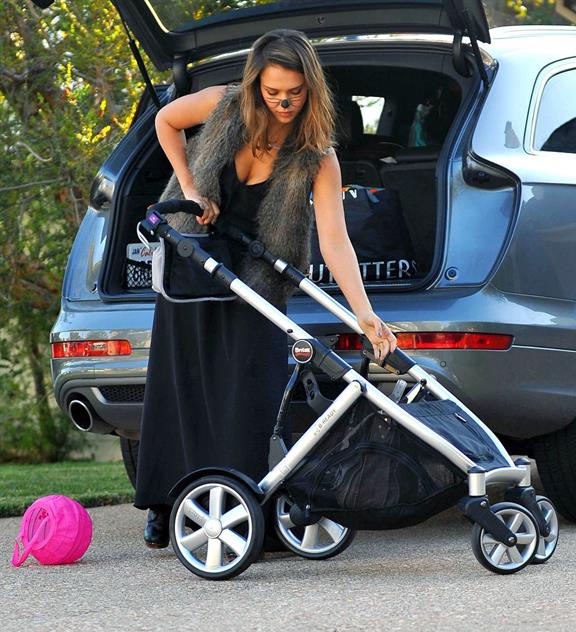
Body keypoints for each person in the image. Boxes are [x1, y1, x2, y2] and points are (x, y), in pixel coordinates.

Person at [135, 28, 397, 550]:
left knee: (253, 392)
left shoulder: (317, 156)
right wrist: (189, 187)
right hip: (194, 259)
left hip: (257, 277)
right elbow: (165, 120)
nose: (282, 102)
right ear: (256, 84)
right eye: (273, 92)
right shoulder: (222, 104)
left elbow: (335, 239)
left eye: (294, 93)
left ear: (310, 91)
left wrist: (364, 313)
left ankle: (249, 505)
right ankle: (168, 503)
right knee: (182, 382)